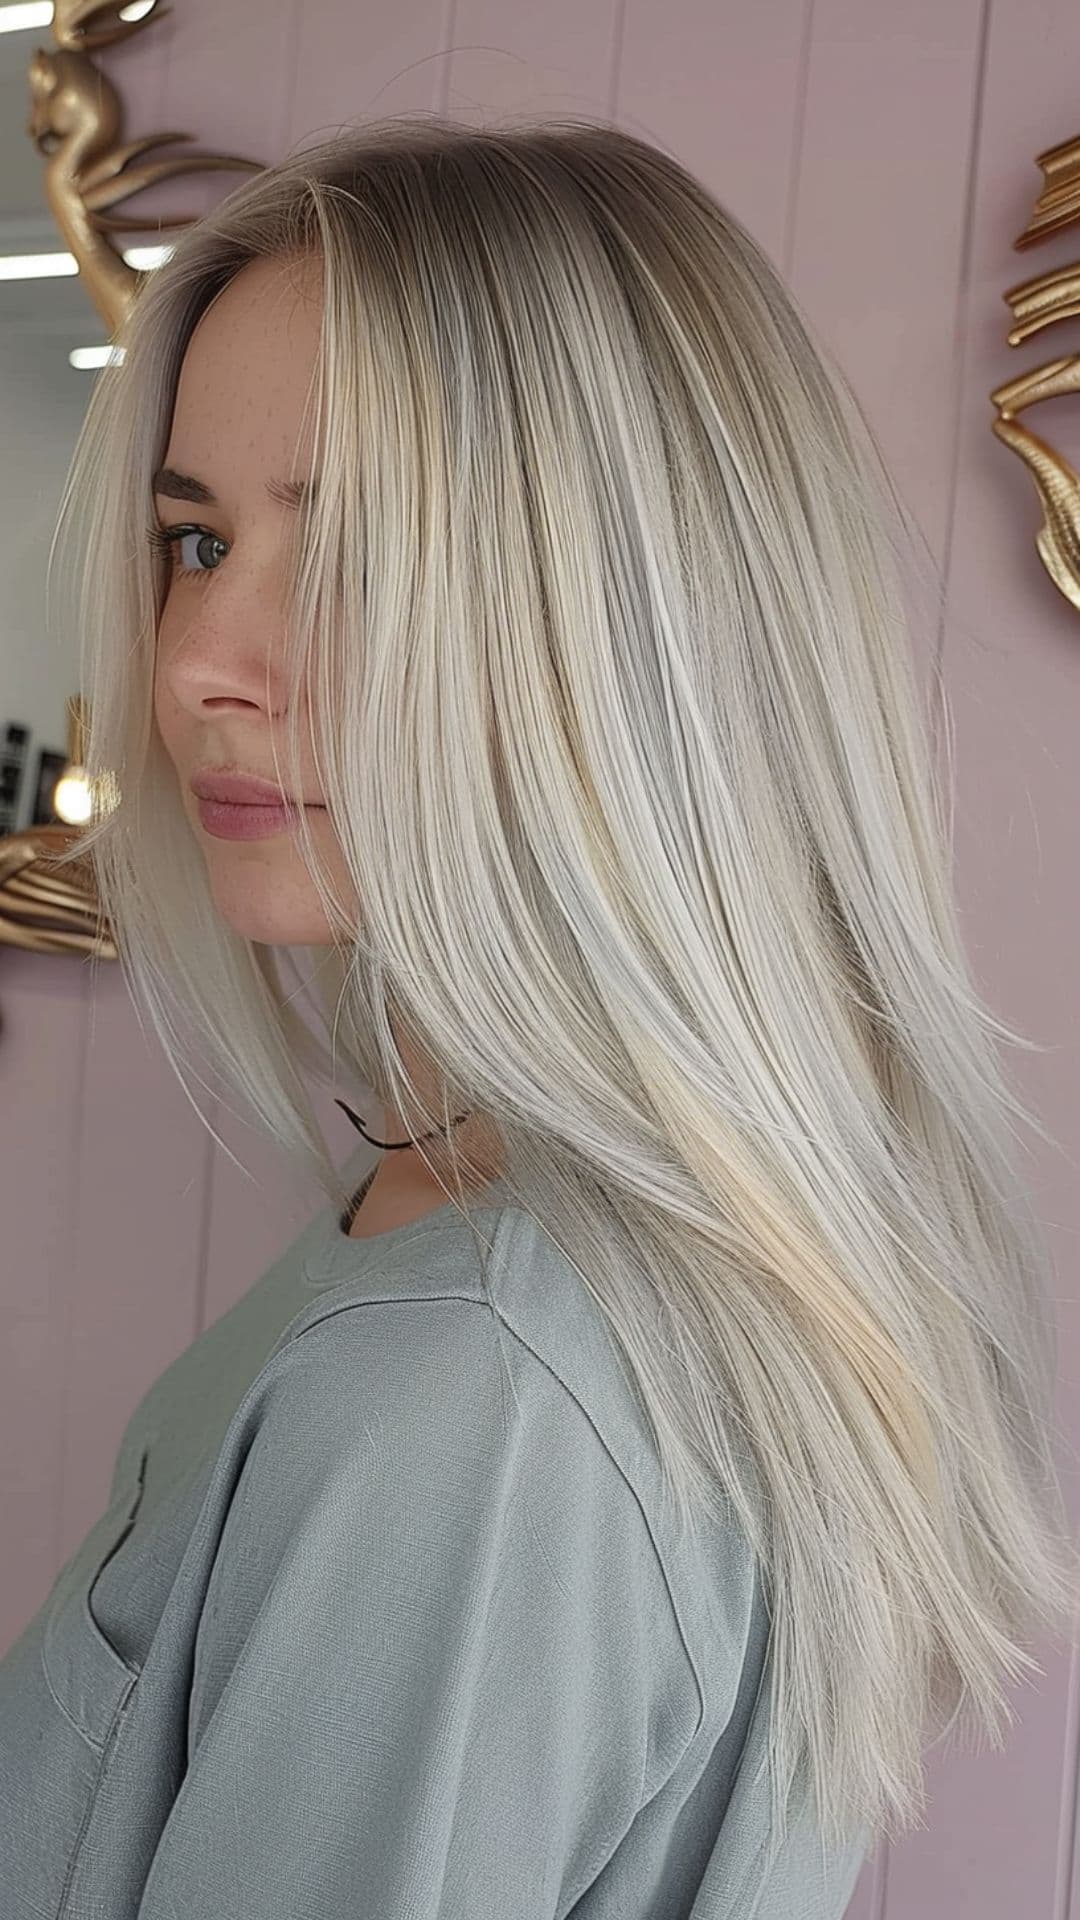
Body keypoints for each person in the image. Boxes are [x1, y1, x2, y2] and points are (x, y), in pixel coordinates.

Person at [1, 116, 1075, 1918]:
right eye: (197, 541)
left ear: (626, 623)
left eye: (351, 557)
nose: (198, 658)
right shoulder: (473, 1227)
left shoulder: (482, 1394)